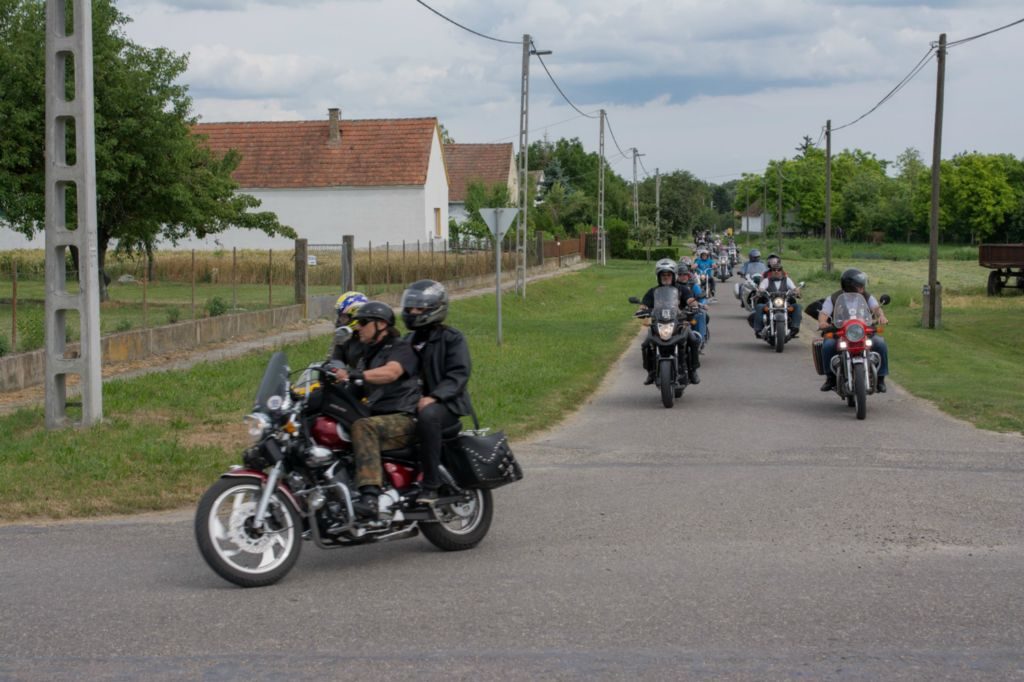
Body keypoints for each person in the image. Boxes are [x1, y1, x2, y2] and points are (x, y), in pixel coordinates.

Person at [330, 301, 421, 518]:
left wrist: (354, 375)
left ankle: (370, 497)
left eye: (363, 322)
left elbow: (391, 372)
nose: (358, 327)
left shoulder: (400, 348)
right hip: (379, 416)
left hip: (403, 417)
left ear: (381, 325)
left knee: (363, 427)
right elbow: (352, 390)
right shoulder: (367, 357)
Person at [401, 279, 474, 505]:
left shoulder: (451, 338)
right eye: (410, 307)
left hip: (447, 405)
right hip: (411, 404)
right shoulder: (407, 341)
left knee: (428, 415)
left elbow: (458, 374)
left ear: (436, 308)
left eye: (419, 308)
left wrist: (434, 397)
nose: (413, 312)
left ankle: (431, 484)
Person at [817, 268, 890, 393]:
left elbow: (876, 308)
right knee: (828, 345)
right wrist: (822, 322)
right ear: (850, 285)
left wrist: (881, 316)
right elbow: (824, 313)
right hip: (840, 332)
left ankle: (881, 378)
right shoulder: (834, 298)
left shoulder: (866, 296)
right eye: (860, 285)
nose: (863, 287)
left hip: (863, 331)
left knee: (880, 343)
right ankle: (830, 378)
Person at [639, 259, 701, 385]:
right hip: (659, 323)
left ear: (673, 276)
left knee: (694, 340)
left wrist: (694, 304)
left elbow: (689, 299)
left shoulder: (682, 289)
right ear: (658, 277)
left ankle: (693, 371)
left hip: (680, 322)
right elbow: (644, 305)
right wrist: (641, 310)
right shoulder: (653, 291)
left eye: (668, 275)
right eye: (663, 275)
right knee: (645, 344)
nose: (666, 277)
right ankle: (651, 372)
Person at [752, 254, 802, 339]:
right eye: (774, 270)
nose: (776, 271)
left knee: (797, 307)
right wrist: (760, 290)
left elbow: (794, 288)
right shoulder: (767, 280)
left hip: (785, 303)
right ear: (771, 272)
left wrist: (796, 291)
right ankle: (758, 330)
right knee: (759, 306)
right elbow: (761, 287)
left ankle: (794, 328)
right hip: (770, 303)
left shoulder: (787, 280)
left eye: (779, 270)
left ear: (782, 271)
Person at [331, 291, 368, 367]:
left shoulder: (369, 339)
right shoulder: (346, 337)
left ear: (356, 317)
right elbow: (336, 358)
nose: (339, 321)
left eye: (343, 317)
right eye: (339, 317)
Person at [676, 264, 709, 343]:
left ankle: (700, 339)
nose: (683, 276)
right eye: (680, 274)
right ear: (677, 275)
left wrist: (702, 304)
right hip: (676, 311)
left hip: (691, 311)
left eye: (685, 274)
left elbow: (701, 297)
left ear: (688, 275)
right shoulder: (673, 286)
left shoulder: (693, 285)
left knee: (701, 314)